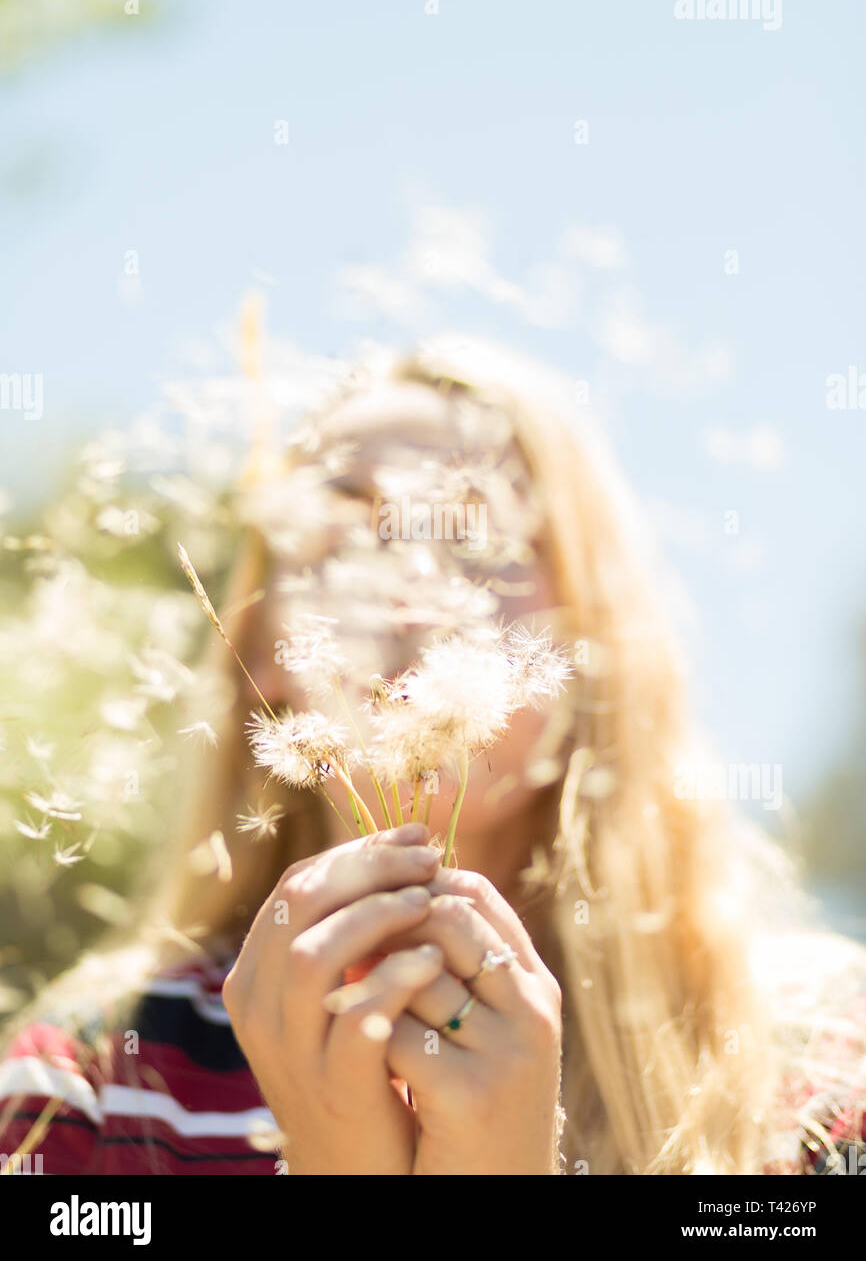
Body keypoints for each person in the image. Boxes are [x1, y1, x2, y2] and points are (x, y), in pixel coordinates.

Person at [1, 336, 865, 1176]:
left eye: (479, 537)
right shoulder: (91, 1083)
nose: (414, 586)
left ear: (595, 641)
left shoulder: (815, 1062)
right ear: (259, 644)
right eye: (351, 533)